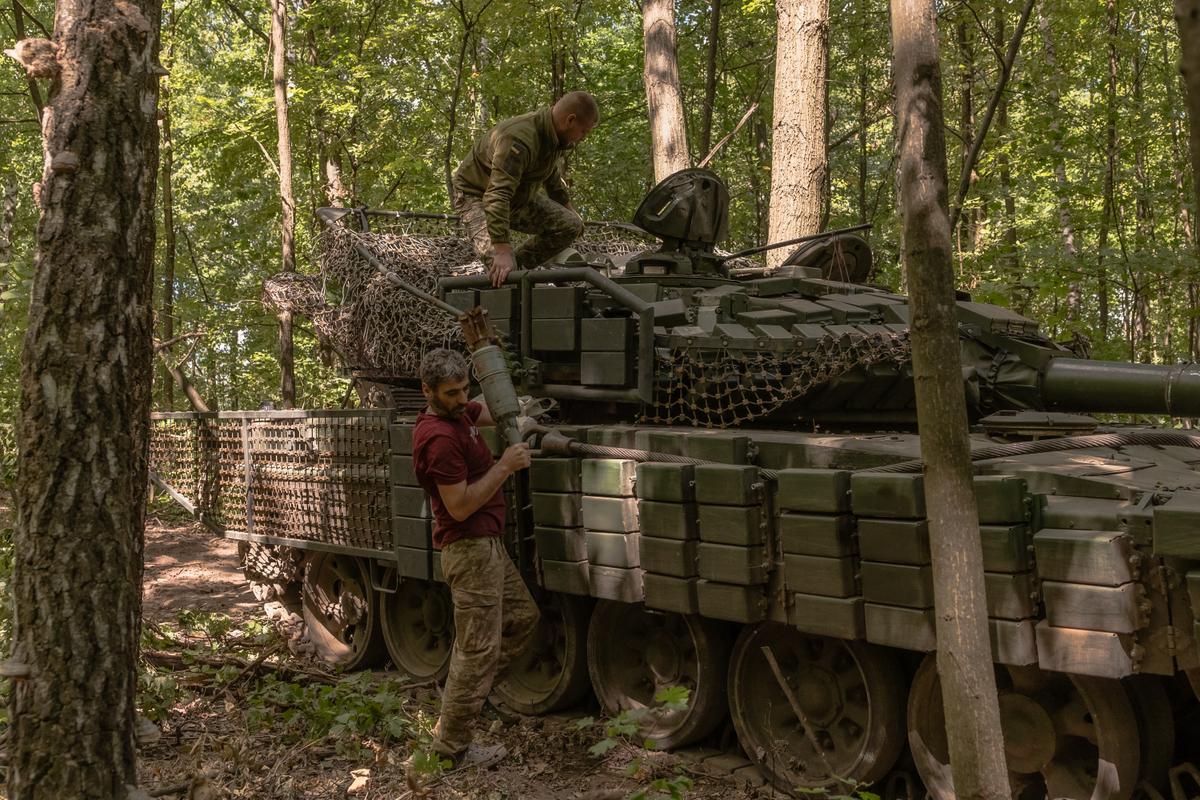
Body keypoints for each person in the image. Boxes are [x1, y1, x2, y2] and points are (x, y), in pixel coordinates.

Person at [411, 348, 539, 767]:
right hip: (467, 549)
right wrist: (504, 466)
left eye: (465, 387)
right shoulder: (439, 438)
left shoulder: (458, 414)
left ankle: (464, 707)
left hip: (487, 546)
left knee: (522, 620)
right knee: (476, 652)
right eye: (452, 392)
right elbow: (460, 506)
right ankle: (450, 751)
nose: (462, 398)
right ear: (427, 391)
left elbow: (486, 411)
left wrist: (523, 411)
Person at [452, 90, 599, 288]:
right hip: (475, 195)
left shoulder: (554, 137)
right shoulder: (520, 138)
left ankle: (516, 269)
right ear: (570, 120)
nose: (582, 137)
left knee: (571, 225)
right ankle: (508, 277)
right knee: (504, 269)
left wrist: (569, 208)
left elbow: (551, 176)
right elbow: (497, 195)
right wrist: (503, 250)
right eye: (583, 131)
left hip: (517, 195)